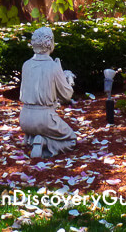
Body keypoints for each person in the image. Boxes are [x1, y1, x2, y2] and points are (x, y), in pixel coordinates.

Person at [19, 27, 76, 158]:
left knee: (41, 127)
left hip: (24, 118)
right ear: (50, 43)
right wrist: (67, 78)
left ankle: (32, 139)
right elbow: (67, 95)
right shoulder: (53, 67)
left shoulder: (26, 64)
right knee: (71, 140)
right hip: (44, 118)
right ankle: (43, 141)